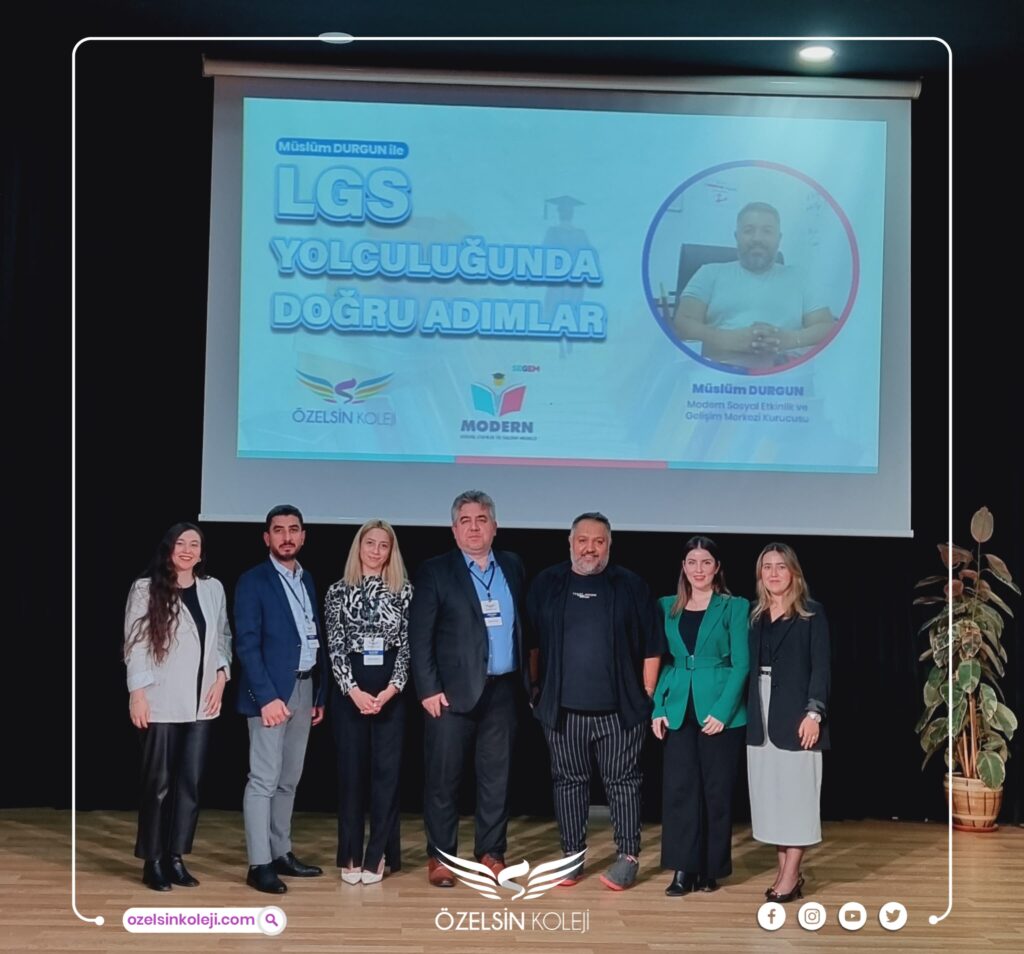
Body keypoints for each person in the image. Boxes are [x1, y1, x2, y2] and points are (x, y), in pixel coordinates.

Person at [527, 512, 665, 891]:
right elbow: (532, 642)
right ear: (570, 543)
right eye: (583, 540)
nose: (590, 548)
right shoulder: (547, 583)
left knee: (623, 783)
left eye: (599, 541)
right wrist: (535, 689)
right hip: (562, 711)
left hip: (620, 712)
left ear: (609, 545)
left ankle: (628, 856)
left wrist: (647, 693)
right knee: (568, 783)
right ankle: (571, 857)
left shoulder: (631, 585)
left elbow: (652, 645)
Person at [408, 490, 528, 888]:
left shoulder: (512, 565)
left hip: (503, 690)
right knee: (444, 779)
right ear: (454, 529)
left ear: (494, 526)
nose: (474, 528)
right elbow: (419, 636)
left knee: (498, 777)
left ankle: (491, 852)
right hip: (450, 694)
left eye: (481, 520)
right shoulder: (435, 571)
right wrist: (427, 688)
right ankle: (442, 857)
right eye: (465, 521)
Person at [123, 522, 232, 891]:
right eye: (181, 543)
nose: (187, 550)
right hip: (161, 700)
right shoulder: (145, 588)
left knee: (190, 783)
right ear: (169, 548)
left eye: (194, 544)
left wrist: (222, 676)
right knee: (158, 784)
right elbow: (136, 643)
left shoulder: (213, 588)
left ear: (201, 552)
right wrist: (138, 694)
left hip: (202, 701)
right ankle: (152, 860)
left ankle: (175, 857)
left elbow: (223, 636)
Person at [235, 504, 327, 894]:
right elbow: (246, 644)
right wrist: (266, 698)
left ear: (303, 536)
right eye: (278, 530)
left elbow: (313, 637)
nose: (286, 536)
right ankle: (259, 864)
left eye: (293, 529)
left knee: (289, 779)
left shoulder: (307, 579)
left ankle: (280, 852)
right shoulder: (253, 581)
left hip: (303, 689)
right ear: (266, 537)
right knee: (263, 779)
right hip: (271, 695)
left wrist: (318, 693)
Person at [651, 536, 749, 896]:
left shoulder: (734, 607)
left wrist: (723, 710)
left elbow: (742, 664)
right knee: (680, 791)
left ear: (717, 567)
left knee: (716, 792)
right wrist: (659, 707)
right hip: (678, 708)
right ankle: (683, 869)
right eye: (692, 562)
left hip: (721, 712)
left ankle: (710, 869)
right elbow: (662, 661)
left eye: (706, 562)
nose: (699, 569)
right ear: (683, 566)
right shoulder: (666, 606)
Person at [324, 519, 412, 886]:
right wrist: (353, 691)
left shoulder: (404, 590)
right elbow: (335, 646)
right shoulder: (337, 591)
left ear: (391, 552)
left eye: (383, 545)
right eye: (370, 543)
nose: (376, 551)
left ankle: (377, 855)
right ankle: (350, 854)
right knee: (351, 776)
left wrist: (391, 690)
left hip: (390, 690)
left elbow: (407, 646)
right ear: (358, 547)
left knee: (386, 776)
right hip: (351, 691)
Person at [746, 542, 831, 903]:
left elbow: (821, 667)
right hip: (761, 715)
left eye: (781, 566)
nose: (774, 573)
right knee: (773, 799)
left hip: (798, 715)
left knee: (798, 798)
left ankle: (790, 874)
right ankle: (786, 873)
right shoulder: (754, 616)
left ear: (794, 572)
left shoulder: (811, 612)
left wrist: (814, 713)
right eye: (767, 567)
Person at [672, 202, 834, 369]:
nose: (757, 238)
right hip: (719, 374)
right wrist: (728, 339)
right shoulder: (709, 273)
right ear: (737, 236)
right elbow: (683, 324)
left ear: (779, 239)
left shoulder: (800, 277)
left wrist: (788, 339)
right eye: (749, 230)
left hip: (785, 375)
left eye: (767, 231)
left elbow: (825, 326)